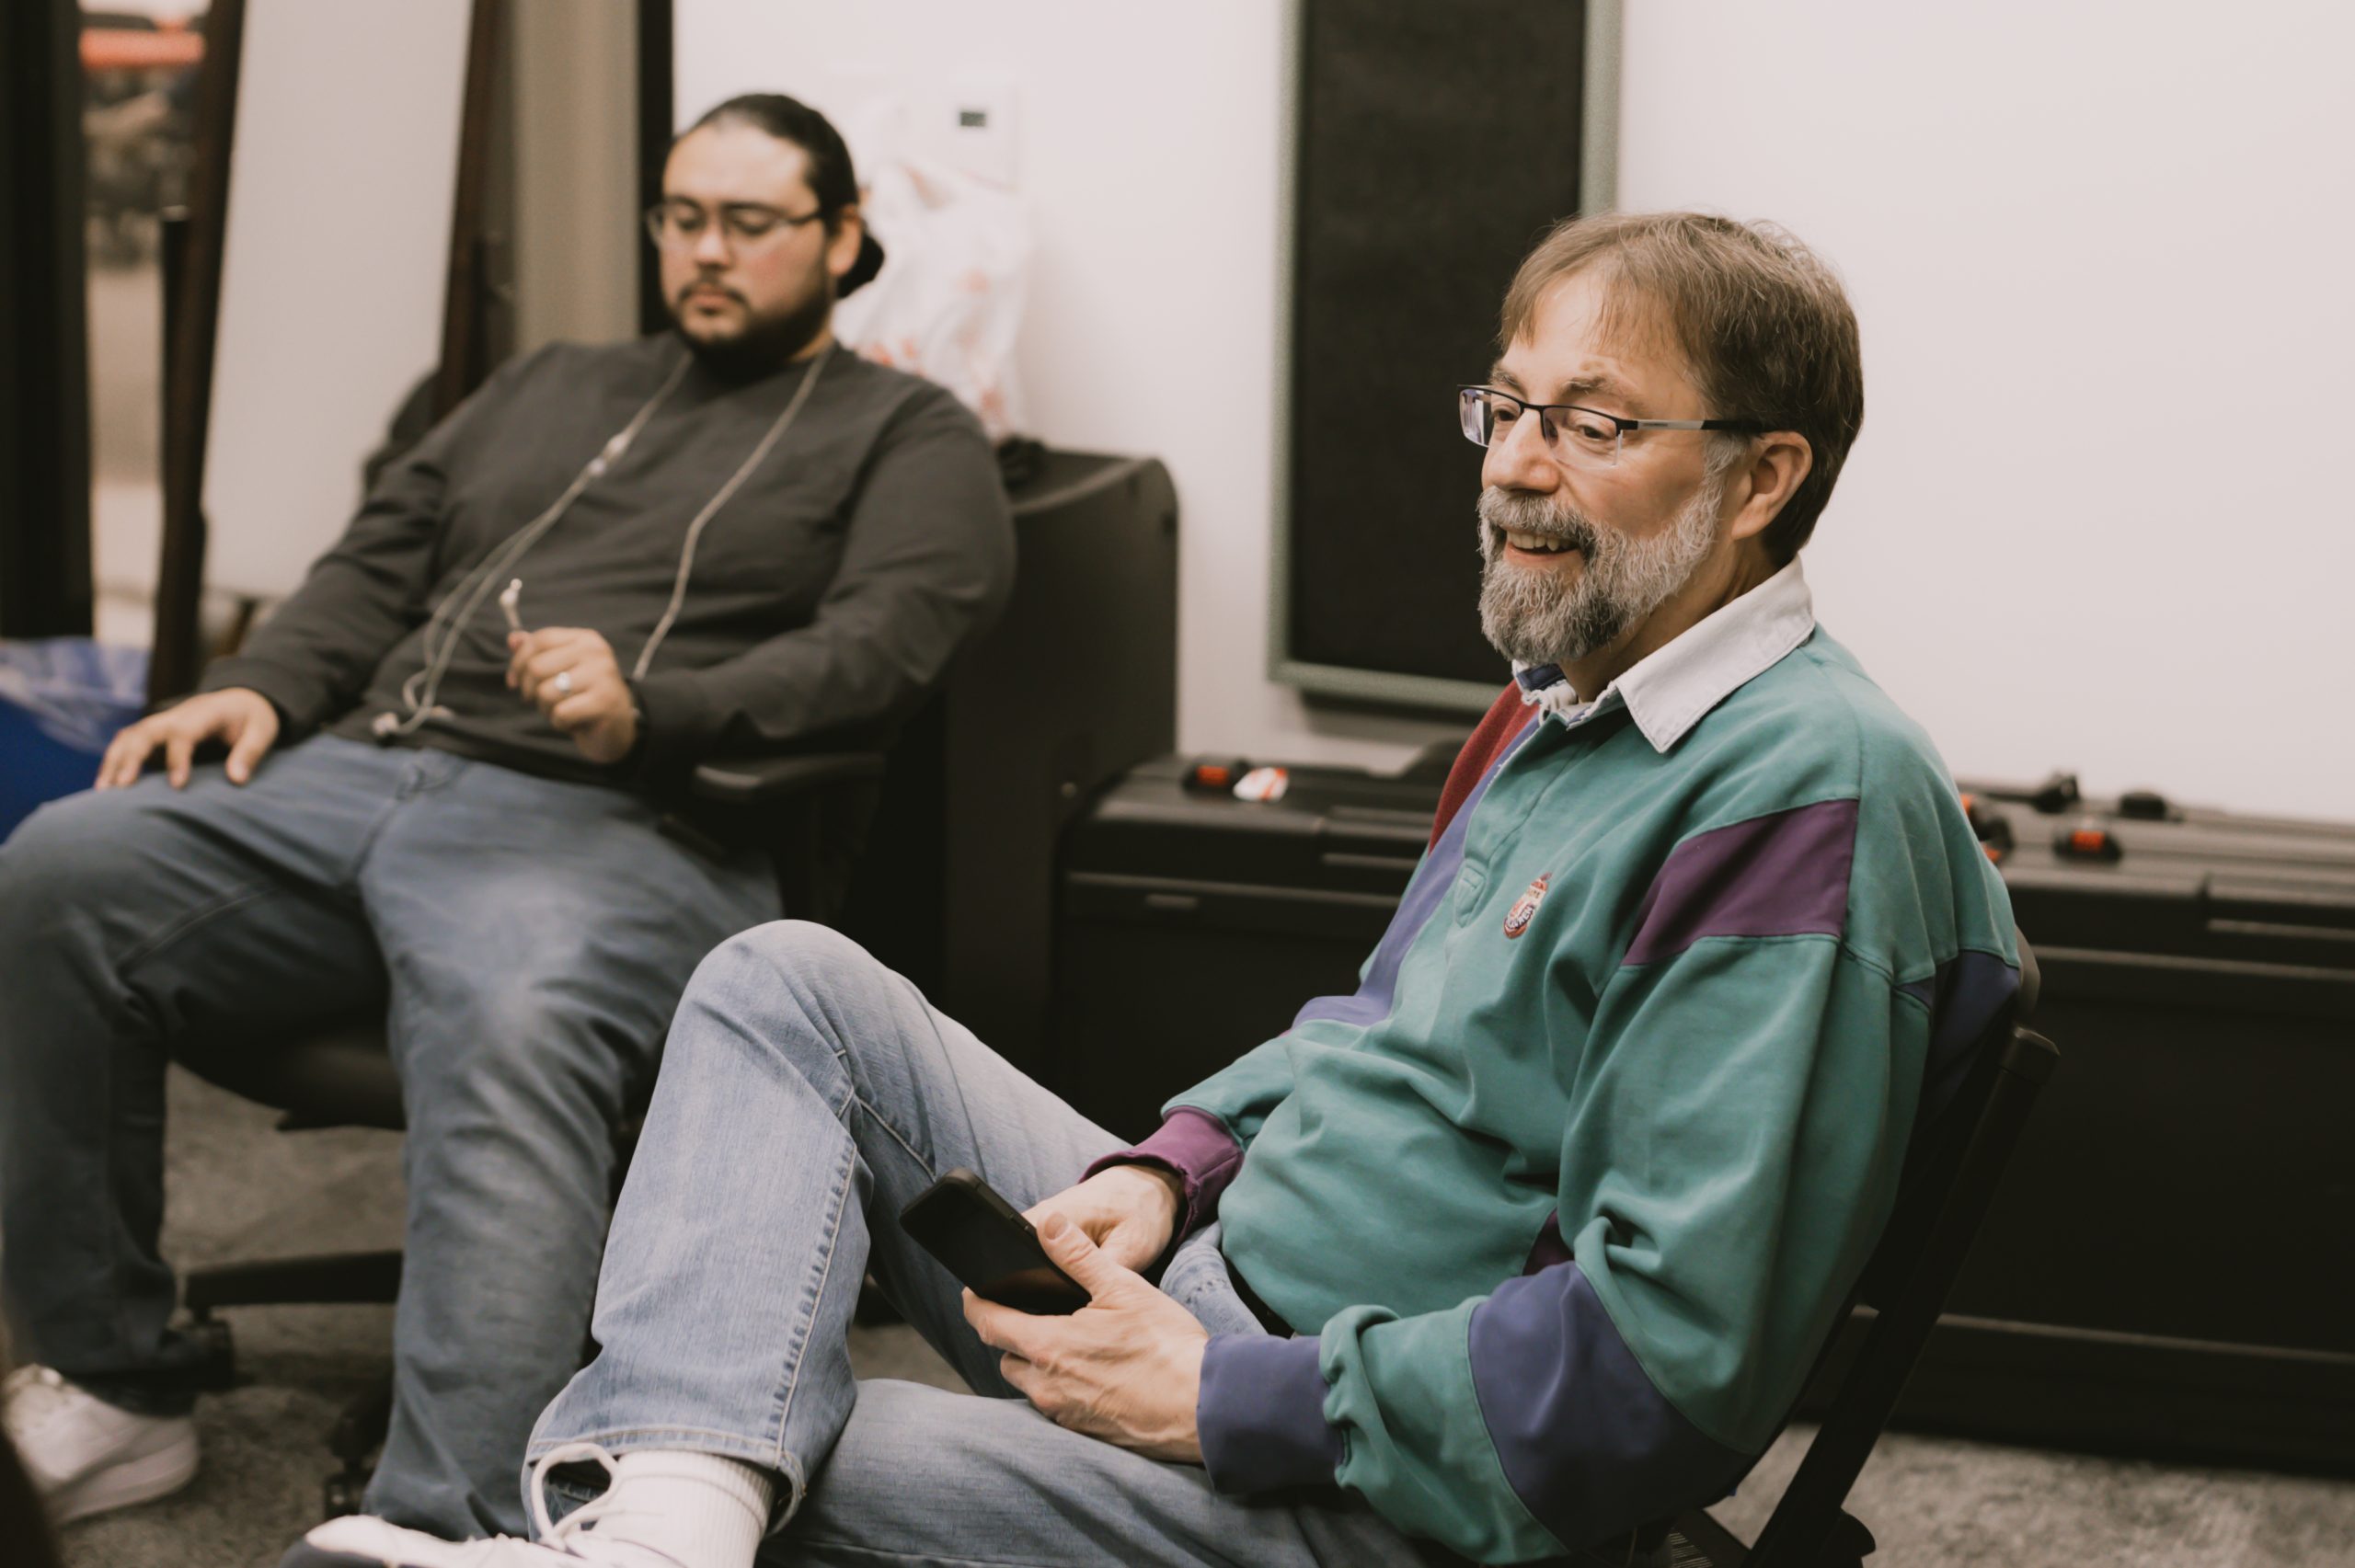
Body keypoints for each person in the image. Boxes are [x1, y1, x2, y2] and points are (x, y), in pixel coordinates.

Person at [293, 211, 2016, 1568]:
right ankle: (658, 1541)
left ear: (1764, 478)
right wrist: (1170, 1167)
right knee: (783, 985)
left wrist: (1220, 1395)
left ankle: (650, 1525)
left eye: (1595, 421)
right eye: (1509, 405)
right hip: (1224, 1292)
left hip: (1383, 1484)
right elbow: (1377, 1025)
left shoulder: (1807, 798)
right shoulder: (1568, 695)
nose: (1511, 462)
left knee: (793, 1439)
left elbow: (1658, 1373)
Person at [0, 93, 1014, 1543]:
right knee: (63, 869)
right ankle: (112, 1385)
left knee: (517, 1000)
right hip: (360, 773)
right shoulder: (551, 381)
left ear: (843, 239)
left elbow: (881, 651)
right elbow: (375, 561)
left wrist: (651, 704)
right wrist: (264, 682)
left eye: (749, 223)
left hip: (623, 825)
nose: (705, 252)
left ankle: (454, 1515)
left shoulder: (908, 436)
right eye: (681, 219)